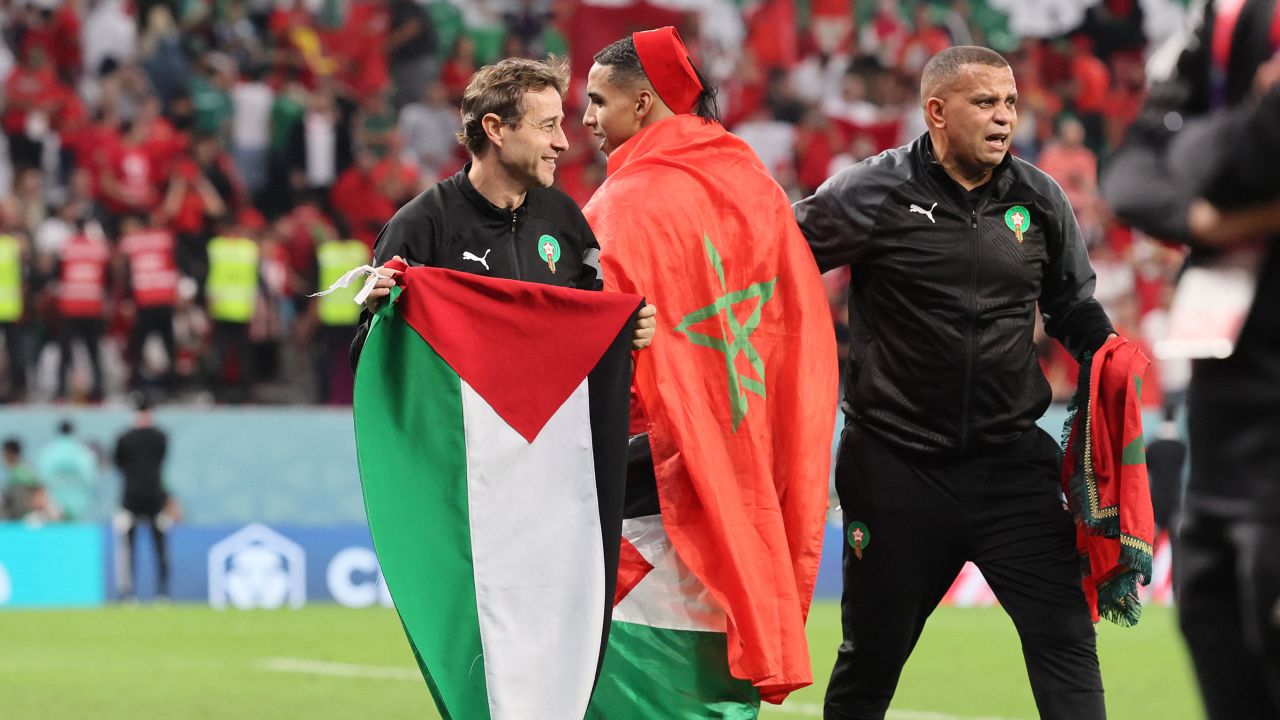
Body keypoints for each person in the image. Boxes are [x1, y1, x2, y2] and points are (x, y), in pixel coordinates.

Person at [793, 46, 1115, 720]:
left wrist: (1109, 353)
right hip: (895, 469)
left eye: (1011, 103)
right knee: (871, 659)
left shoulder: (1039, 197)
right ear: (937, 112)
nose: (1004, 118)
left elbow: (1071, 306)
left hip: (1011, 465)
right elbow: (779, 263)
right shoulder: (871, 191)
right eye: (985, 103)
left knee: (1065, 637)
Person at [581, 28, 839, 717]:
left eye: (598, 101)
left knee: (646, 688)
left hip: (650, 486)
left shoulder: (621, 206)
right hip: (744, 454)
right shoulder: (754, 187)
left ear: (643, 104)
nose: (585, 121)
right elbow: (791, 330)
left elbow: (587, 357)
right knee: (719, 670)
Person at [1101, 3, 1280, 714]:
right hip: (1229, 416)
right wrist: (1208, 217)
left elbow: (1228, 157)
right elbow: (1133, 174)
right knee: (1214, 619)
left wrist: (1201, 157)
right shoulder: (1231, 18)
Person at [351, 56, 655, 363]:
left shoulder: (565, 218)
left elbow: (592, 328)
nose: (562, 142)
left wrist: (624, 330)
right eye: (548, 125)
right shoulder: (418, 225)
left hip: (548, 412)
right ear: (495, 129)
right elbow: (369, 366)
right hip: (462, 412)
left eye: (560, 125)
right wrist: (380, 319)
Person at [113, 397, 178, 601]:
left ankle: (128, 595)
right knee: (160, 548)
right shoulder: (160, 437)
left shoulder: (125, 438)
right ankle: (162, 593)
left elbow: (119, 463)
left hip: (131, 499)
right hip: (154, 498)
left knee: (128, 549)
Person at [35, 419, 98, 521]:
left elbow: (42, 480)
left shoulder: (48, 453)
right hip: (79, 506)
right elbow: (90, 480)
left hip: (54, 508)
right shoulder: (84, 453)